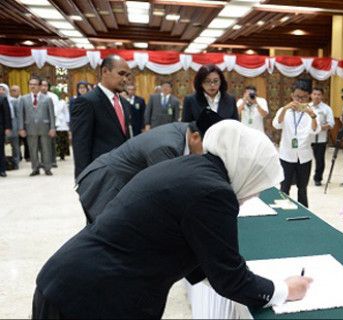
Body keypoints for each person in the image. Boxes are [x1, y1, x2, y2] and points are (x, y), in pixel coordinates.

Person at [33, 120, 313, 318]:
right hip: (92, 298)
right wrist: (284, 290)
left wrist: (236, 271)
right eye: (255, 187)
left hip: (72, 281)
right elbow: (229, 280)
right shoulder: (214, 192)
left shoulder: (193, 167)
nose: (251, 197)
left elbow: (200, 259)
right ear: (247, 171)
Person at [76, 108, 223, 224]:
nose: (207, 154)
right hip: (106, 183)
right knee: (104, 240)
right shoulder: (167, 147)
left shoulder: (187, 131)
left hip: (119, 184)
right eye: (207, 148)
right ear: (196, 137)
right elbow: (164, 193)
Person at [71, 54, 132, 178]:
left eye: (127, 75)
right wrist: (84, 178)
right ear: (105, 71)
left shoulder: (124, 103)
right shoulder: (87, 101)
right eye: (121, 73)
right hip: (99, 173)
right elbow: (81, 144)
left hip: (122, 172)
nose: (125, 79)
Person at [272, 79, 319, 207]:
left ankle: (304, 213)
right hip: (286, 155)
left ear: (309, 96)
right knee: (284, 186)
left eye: (304, 97)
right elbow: (276, 124)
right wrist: (284, 109)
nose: (300, 100)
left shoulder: (312, 111)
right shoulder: (284, 110)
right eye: (297, 96)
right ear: (292, 95)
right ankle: (282, 212)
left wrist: (312, 115)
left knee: (302, 188)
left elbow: (315, 130)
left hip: (304, 156)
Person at [18, 77, 55, 176]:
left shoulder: (47, 99)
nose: (32, 86)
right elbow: (21, 114)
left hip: (45, 127)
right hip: (30, 127)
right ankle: (35, 168)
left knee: (46, 148)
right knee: (32, 149)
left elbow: (51, 114)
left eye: (35, 84)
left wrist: (52, 128)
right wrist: (21, 128)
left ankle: (47, 168)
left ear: (39, 86)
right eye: (30, 84)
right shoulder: (23, 98)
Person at [309, 87, 334, 186]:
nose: (316, 96)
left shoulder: (326, 109)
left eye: (319, 94)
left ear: (322, 96)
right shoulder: (307, 107)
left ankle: (318, 178)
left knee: (319, 160)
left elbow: (331, 124)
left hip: (320, 139)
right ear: (311, 95)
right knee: (303, 158)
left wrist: (319, 128)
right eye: (314, 94)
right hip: (307, 138)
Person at [40, 80, 60, 168]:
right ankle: (43, 161)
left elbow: (56, 110)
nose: (44, 87)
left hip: (51, 121)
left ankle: (53, 161)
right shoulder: (37, 96)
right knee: (41, 143)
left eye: (46, 85)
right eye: (42, 85)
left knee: (51, 142)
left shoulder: (53, 96)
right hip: (39, 123)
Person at [3, 84, 20, 169]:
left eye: (3, 89)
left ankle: (16, 162)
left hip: (13, 124)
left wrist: (19, 127)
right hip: (3, 125)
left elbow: (18, 114)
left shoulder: (13, 101)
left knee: (15, 145)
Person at [54, 92, 70, 161]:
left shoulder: (63, 103)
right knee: (57, 140)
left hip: (63, 123)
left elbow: (66, 112)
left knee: (63, 140)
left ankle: (62, 154)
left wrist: (67, 122)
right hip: (55, 122)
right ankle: (58, 154)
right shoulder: (53, 102)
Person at [0, 85, 12, 177]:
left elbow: (7, 114)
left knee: (0, 150)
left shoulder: (3, 98)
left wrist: (7, 128)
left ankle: (2, 170)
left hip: (1, 128)